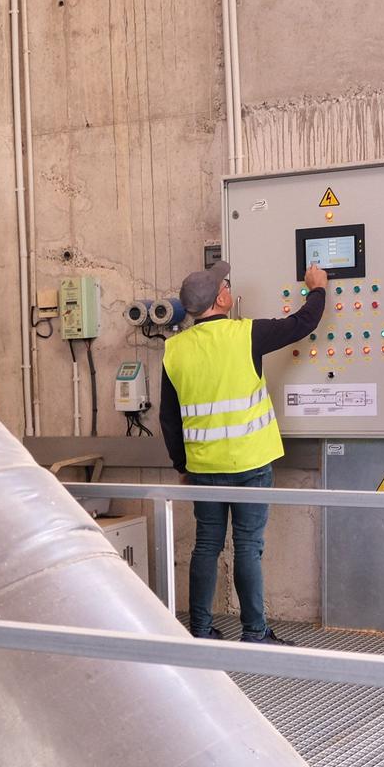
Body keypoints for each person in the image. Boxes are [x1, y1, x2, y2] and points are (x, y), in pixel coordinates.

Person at [159, 259, 326, 644]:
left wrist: (182, 465)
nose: (230, 287)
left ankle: (200, 630)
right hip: (250, 463)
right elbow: (302, 324)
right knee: (248, 548)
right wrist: (317, 288)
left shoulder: (174, 349)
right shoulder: (247, 334)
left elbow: (170, 419)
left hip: (204, 466)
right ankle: (254, 632)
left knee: (206, 546)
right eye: (227, 284)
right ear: (221, 298)